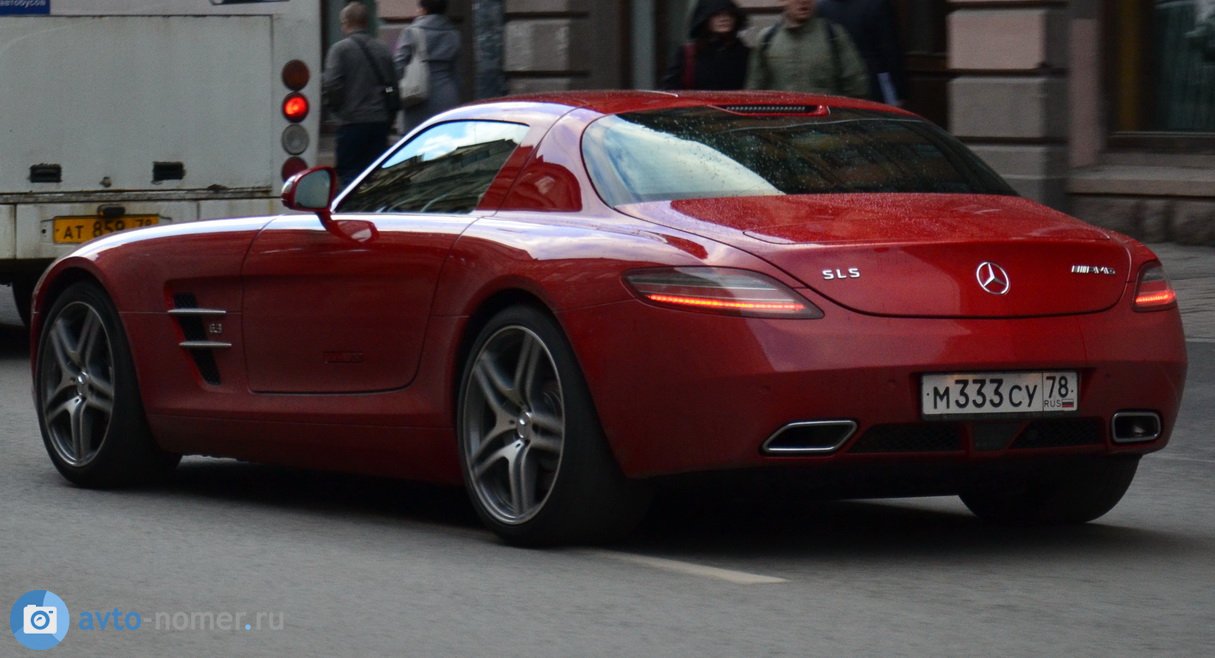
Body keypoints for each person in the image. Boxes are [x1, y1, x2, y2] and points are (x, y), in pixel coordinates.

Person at [322, 2, 398, 186]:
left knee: (350, 177)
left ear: (346, 23)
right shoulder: (382, 49)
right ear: (366, 22)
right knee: (376, 178)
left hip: (352, 124)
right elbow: (392, 86)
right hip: (379, 123)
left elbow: (331, 84)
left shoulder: (340, 50)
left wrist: (337, 108)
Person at [746, 0, 869, 99]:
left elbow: (856, 86)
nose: (804, 1)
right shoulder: (767, 39)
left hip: (827, 120)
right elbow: (754, 90)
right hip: (781, 120)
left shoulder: (833, 35)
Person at [816, 0, 908, 105]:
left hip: (837, 83)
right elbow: (890, 50)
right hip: (874, 82)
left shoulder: (822, 6)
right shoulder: (878, 4)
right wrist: (900, 91)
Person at [394, 0, 462, 134]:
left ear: (424, 10)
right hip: (448, 96)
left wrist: (391, 92)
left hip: (417, 96)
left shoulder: (412, 32)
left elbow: (398, 67)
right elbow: (456, 71)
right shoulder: (454, 33)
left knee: (416, 140)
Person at [660, 0, 750, 90]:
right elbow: (670, 88)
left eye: (729, 14)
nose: (724, 19)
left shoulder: (744, 54)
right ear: (705, 19)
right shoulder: (688, 53)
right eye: (716, 15)